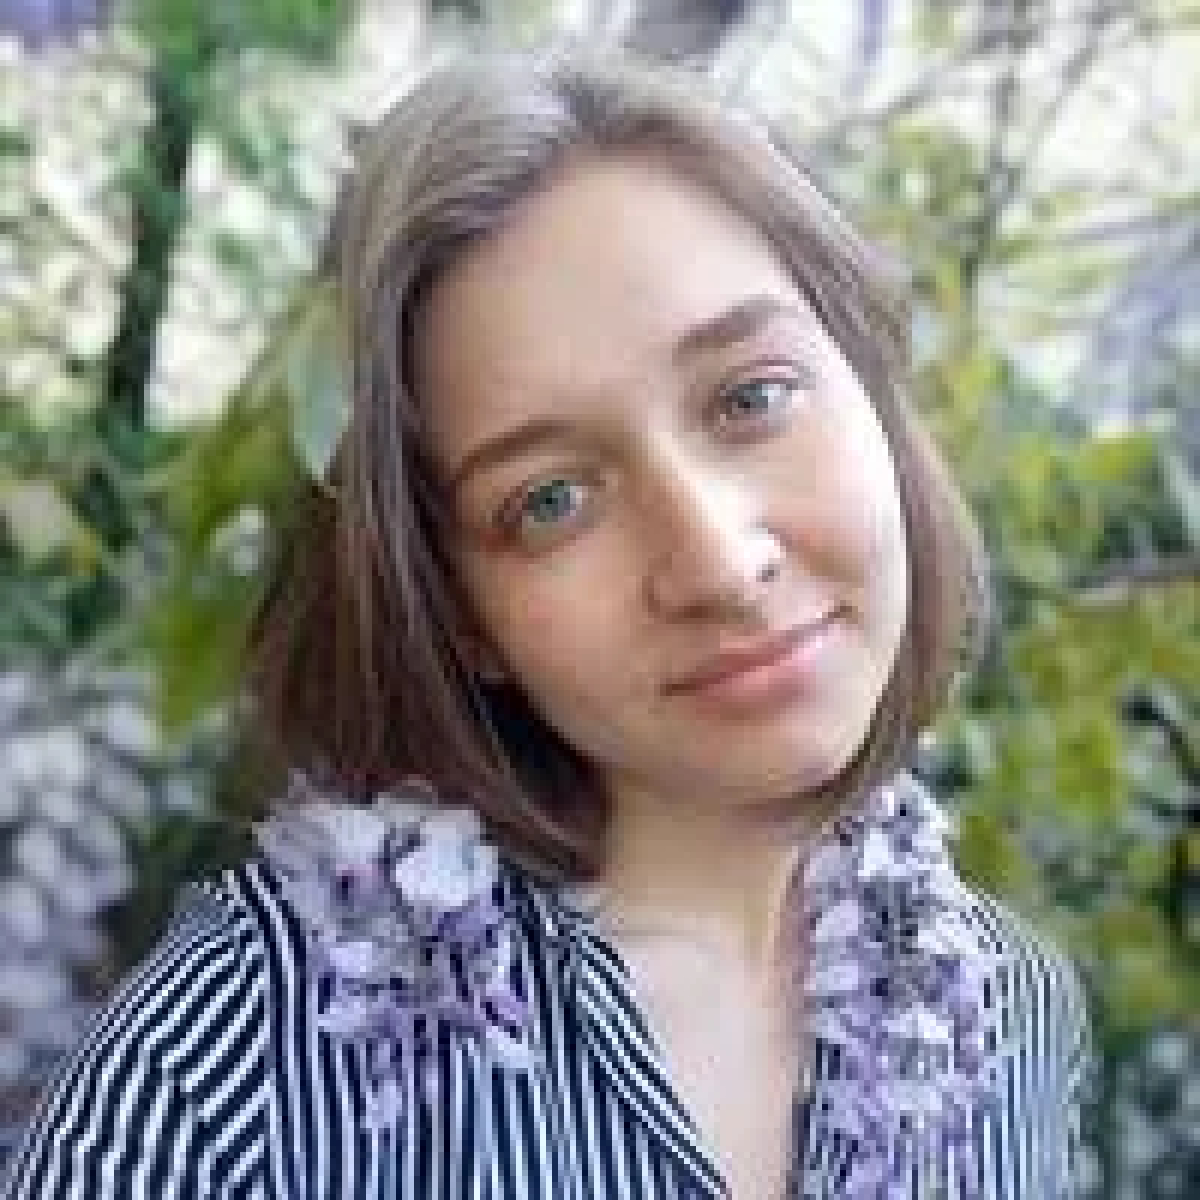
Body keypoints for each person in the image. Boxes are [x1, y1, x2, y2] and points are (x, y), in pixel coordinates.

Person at [2, 44, 1095, 1200]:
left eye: (752, 397)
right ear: (458, 610)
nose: (720, 566)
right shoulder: (231, 1085)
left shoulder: (1007, 1019)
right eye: (551, 501)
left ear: (874, 394)